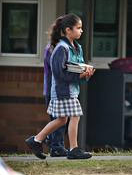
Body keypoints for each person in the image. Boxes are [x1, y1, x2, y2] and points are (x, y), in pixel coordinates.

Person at [25, 13, 95, 159]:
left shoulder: (77, 47)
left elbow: (77, 67)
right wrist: (80, 75)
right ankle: (74, 149)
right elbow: (59, 74)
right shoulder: (60, 49)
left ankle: (36, 140)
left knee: (62, 120)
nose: (81, 31)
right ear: (68, 30)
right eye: (79, 28)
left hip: (71, 91)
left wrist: (86, 72)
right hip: (62, 91)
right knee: (75, 116)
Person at [43, 40, 69, 157]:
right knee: (59, 119)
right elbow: (59, 69)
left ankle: (53, 142)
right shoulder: (53, 49)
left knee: (60, 119)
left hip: (54, 89)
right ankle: (56, 146)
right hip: (52, 89)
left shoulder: (56, 47)